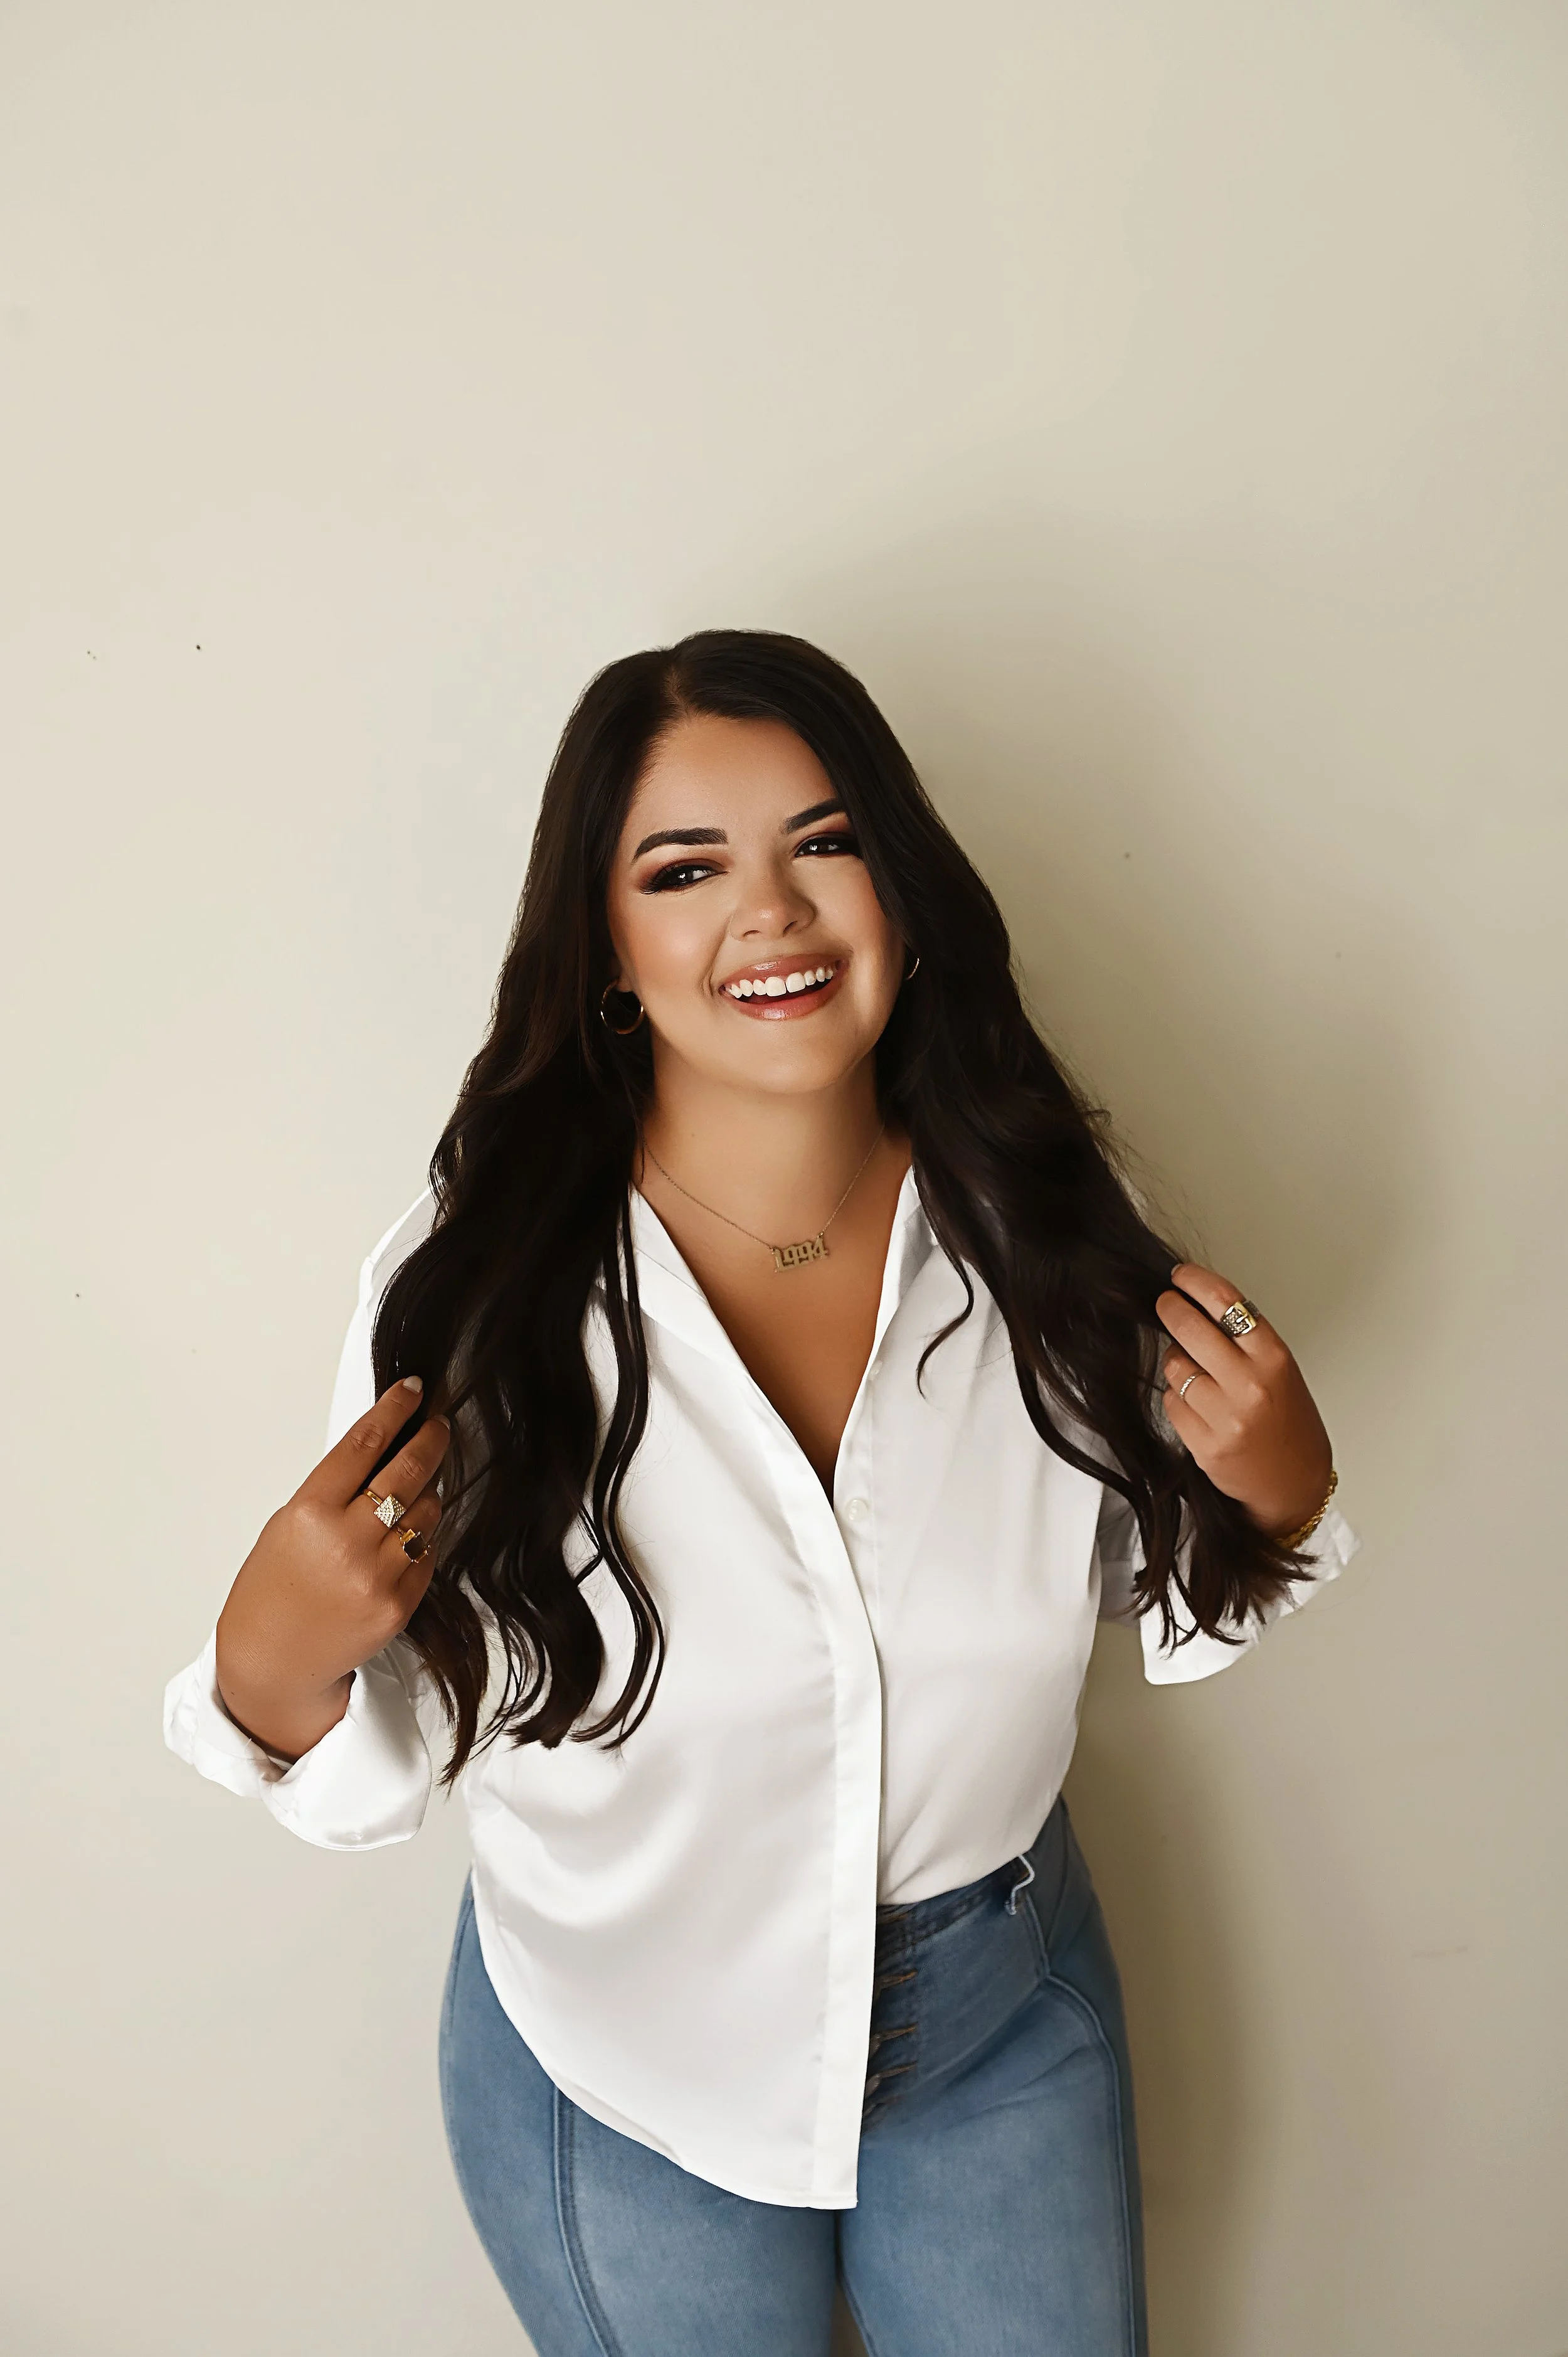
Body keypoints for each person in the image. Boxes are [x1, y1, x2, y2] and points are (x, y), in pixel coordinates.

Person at [165, 629, 1353, 2357]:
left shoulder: (1042, 1219)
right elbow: (378, 1744)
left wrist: (1276, 1482)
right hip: (621, 2059)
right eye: (683, 866)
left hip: (1000, 2016)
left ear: (905, 883)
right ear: (607, 949)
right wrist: (268, 1660)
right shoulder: (475, 1295)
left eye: (824, 839)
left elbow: (1132, 1574)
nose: (772, 911)